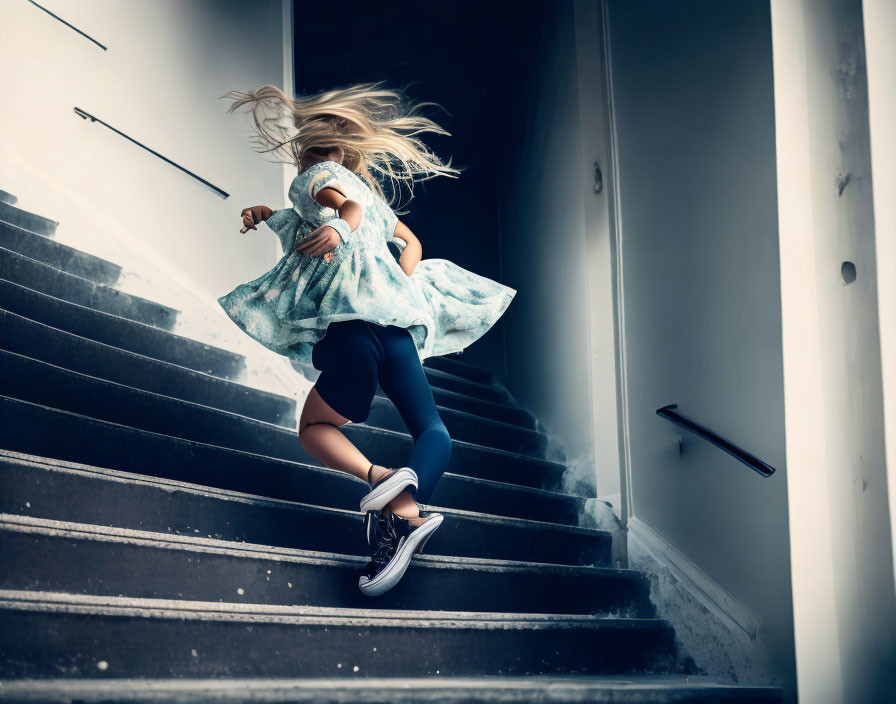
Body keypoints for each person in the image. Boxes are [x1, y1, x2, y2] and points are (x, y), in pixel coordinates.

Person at [217, 81, 516, 596]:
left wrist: (340, 229)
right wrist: (399, 272)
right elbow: (409, 240)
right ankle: (405, 512)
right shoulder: (373, 200)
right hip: (395, 332)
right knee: (435, 433)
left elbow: (334, 206)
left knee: (313, 425)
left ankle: (383, 483)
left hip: (352, 336)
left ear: (313, 151)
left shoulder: (319, 177)